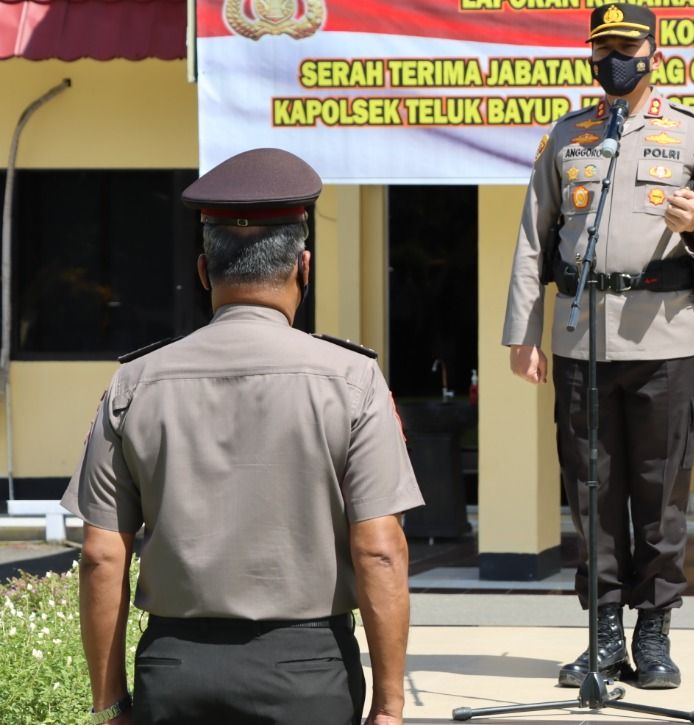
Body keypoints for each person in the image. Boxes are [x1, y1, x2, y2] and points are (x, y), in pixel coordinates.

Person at [62, 148, 423, 725]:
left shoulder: (135, 382)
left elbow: (103, 554)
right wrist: (389, 707)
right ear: (303, 268)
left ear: (204, 272)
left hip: (176, 670)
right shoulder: (353, 380)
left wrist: (111, 705)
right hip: (309, 670)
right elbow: (380, 549)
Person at [503, 3, 694, 689]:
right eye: (602, 47)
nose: (613, 58)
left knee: (660, 490)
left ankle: (655, 632)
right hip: (583, 336)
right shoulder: (569, 135)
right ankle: (602, 632)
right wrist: (523, 333)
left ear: (653, 53)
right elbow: (532, 238)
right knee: (591, 489)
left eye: (625, 46)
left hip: (666, 334)